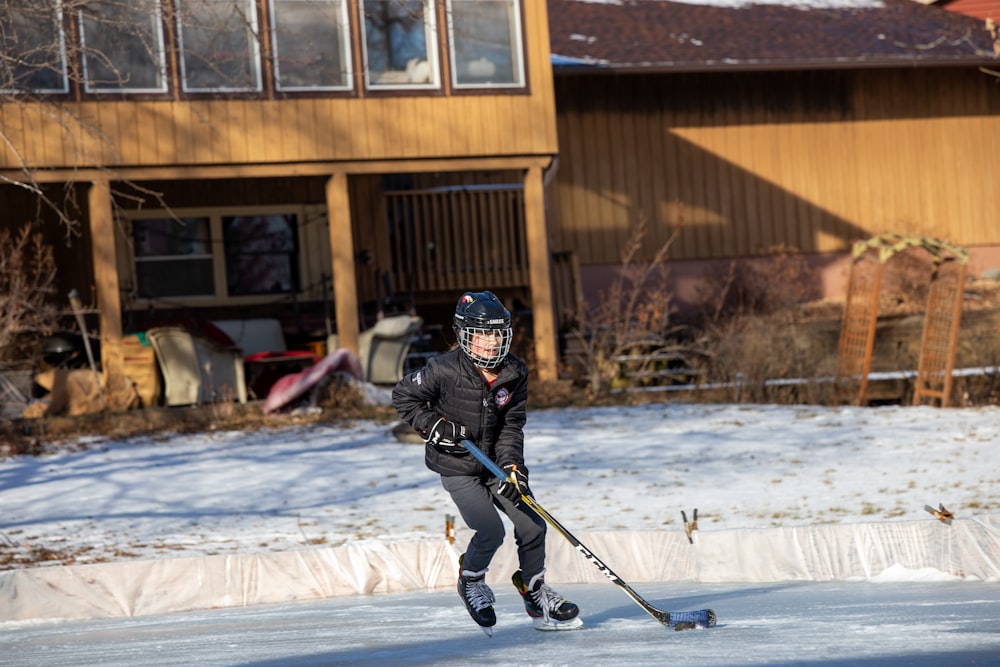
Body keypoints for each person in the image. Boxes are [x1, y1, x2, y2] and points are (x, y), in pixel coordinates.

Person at [392, 291, 581, 633]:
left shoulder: (514, 371)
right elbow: (404, 396)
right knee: (490, 530)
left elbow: (512, 424)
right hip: (457, 466)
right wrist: (433, 426)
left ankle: (534, 589)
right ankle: (471, 579)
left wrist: (513, 467)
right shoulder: (442, 369)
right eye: (482, 334)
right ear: (464, 335)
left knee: (532, 524)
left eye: (497, 333)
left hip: (495, 463)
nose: (491, 342)